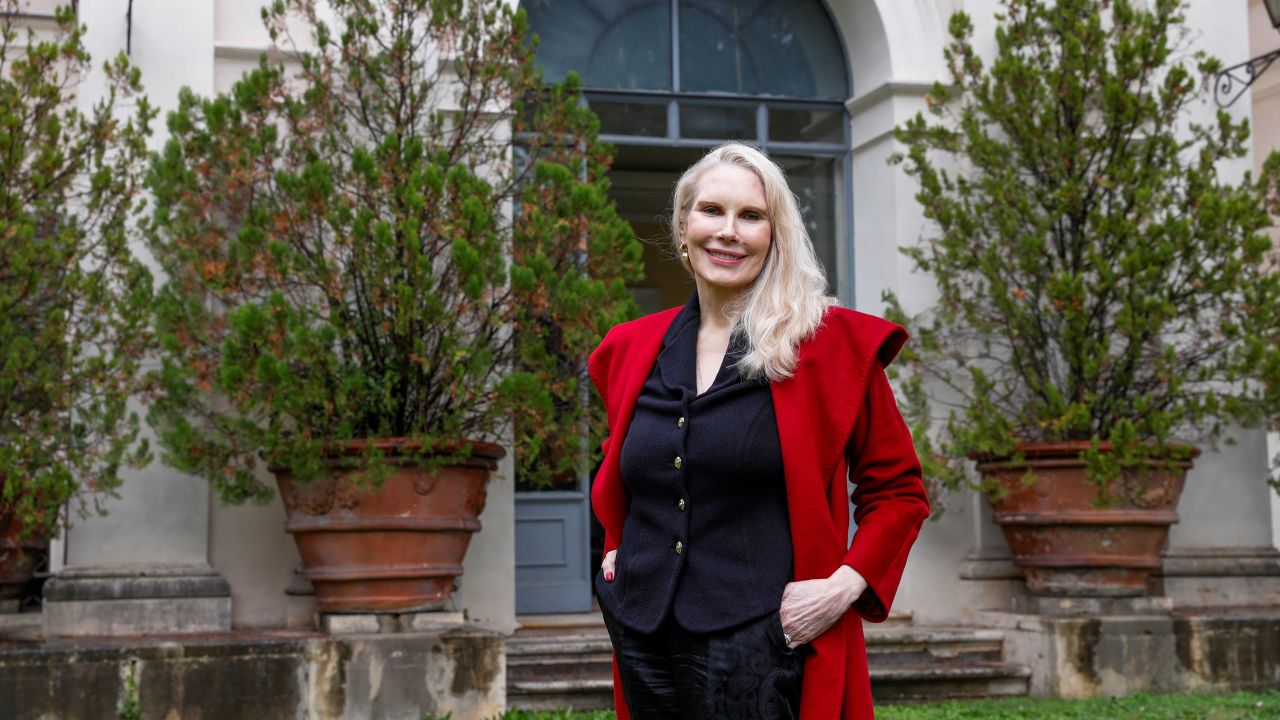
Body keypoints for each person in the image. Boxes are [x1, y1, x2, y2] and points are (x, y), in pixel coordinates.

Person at [588, 143, 931, 720]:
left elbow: (898, 492)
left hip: (763, 639)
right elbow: (628, 460)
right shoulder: (630, 348)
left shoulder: (832, 347)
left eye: (750, 216)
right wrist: (616, 543)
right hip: (642, 627)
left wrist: (843, 587)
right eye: (710, 211)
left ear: (777, 234)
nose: (727, 232)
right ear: (682, 226)